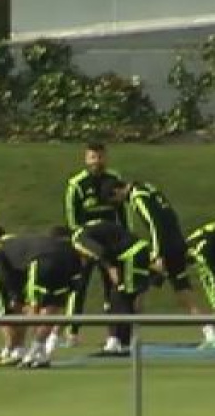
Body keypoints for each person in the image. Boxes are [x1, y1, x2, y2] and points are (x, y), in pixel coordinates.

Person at [99, 179, 212, 343]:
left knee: (136, 290)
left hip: (165, 250)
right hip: (176, 244)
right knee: (182, 291)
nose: (119, 203)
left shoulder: (138, 197)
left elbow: (154, 224)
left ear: (116, 192)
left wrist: (158, 254)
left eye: (115, 200)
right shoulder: (148, 188)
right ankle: (209, 330)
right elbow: (170, 215)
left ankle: (129, 338)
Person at [56, 142, 131, 348]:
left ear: (106, 158)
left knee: (113, 287)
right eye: (92, 157)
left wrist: (126, 237)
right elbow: (72, 219)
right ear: (86, 159)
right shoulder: (77, 184)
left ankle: (113, 335)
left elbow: (123, 212)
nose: (97, 161)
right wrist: (78, 241)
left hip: (112, 241)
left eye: (100, 157)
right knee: (79, 286)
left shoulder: (114, 179)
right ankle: (72, 332)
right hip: (87, 241)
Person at [0, 228, 83, 369]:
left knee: (33, 309)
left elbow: (3, 274)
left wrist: (15, 296)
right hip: (68, 257)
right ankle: (38, 350)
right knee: (51, 309)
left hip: (41, 262)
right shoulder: (24, 241)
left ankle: (23, 351)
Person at [71, 220, 164, 355]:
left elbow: (99, 251)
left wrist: (110, 268)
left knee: (120, 298)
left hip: (130, 255)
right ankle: (120, 342)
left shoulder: (77, 239)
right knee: (121, 297)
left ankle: (119, 343)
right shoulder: (92, 228)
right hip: (138, 251)